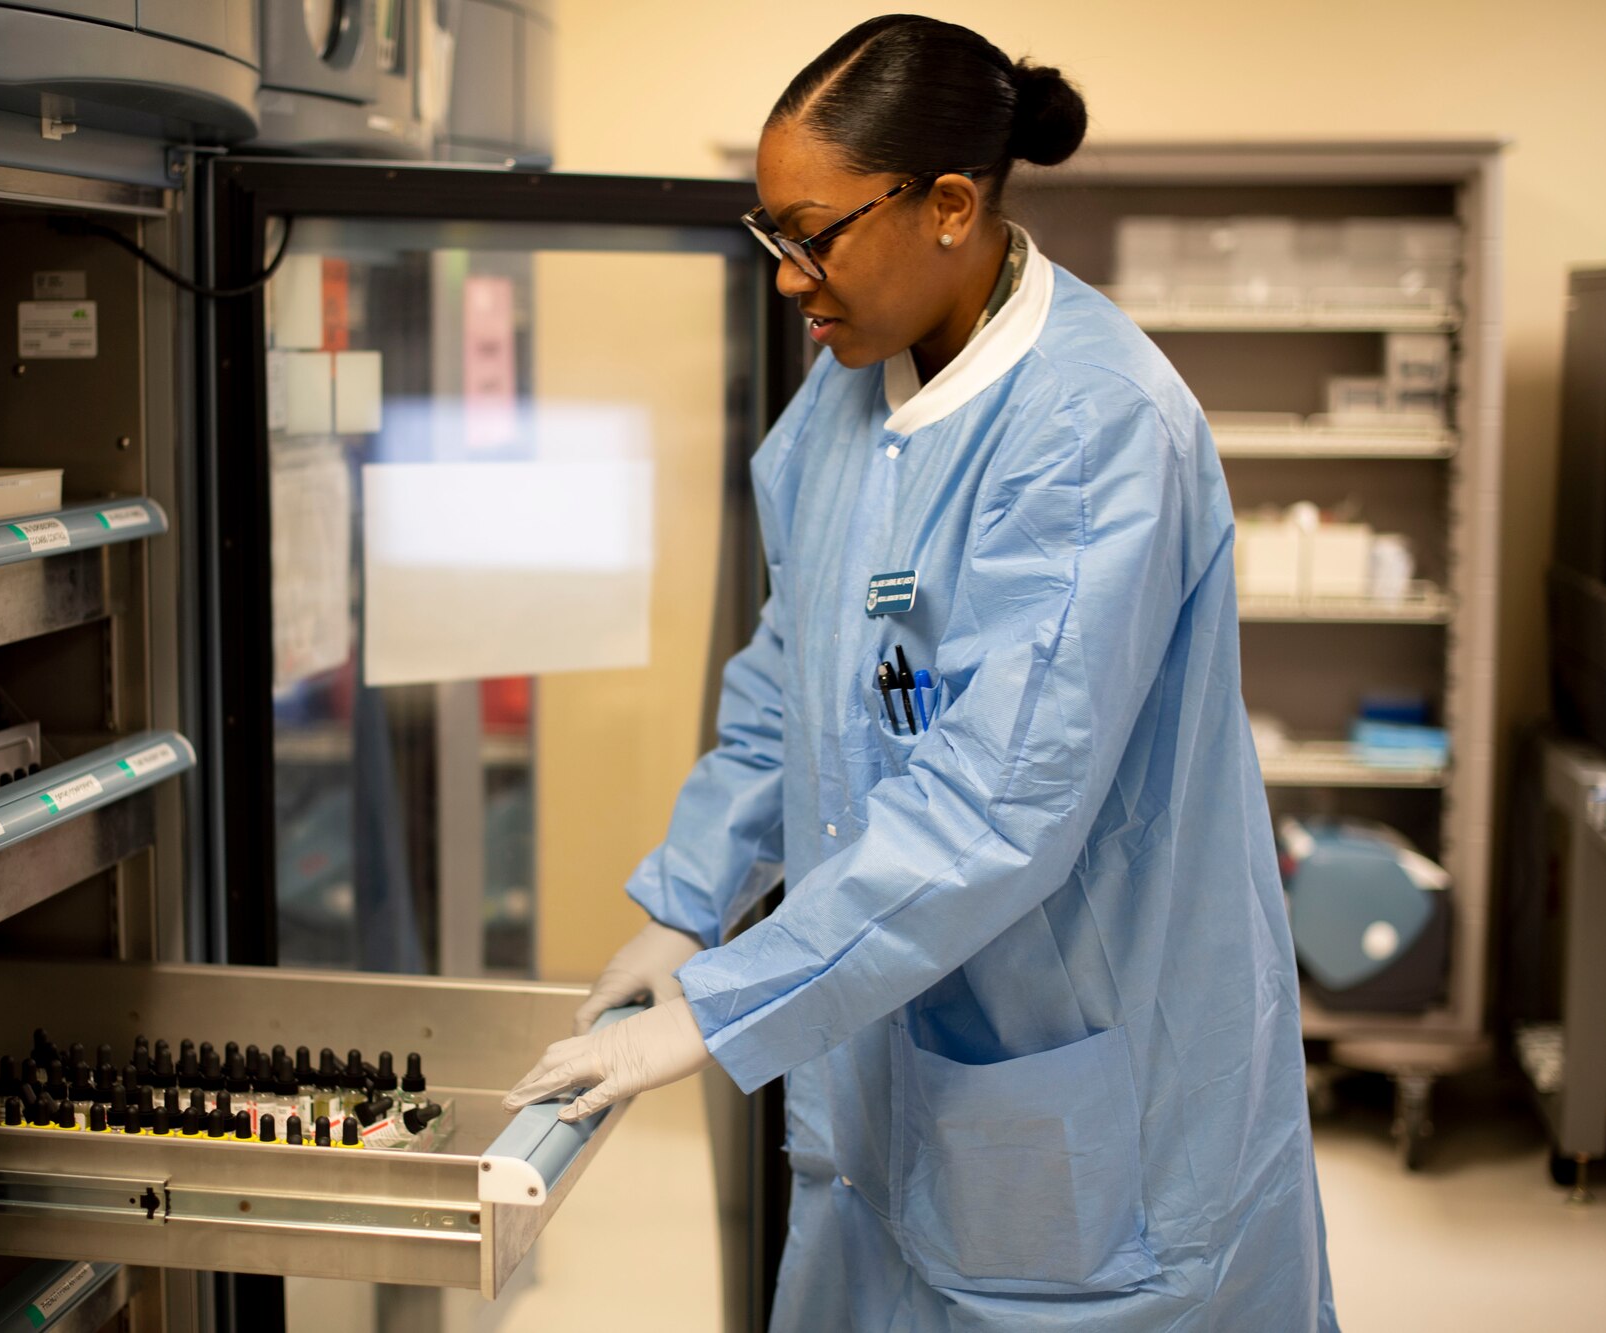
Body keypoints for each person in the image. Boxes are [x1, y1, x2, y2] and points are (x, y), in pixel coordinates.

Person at [504, 14, 1337, 1330]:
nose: (788, 276)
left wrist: (719, 1011)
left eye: (812, 232)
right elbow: (792, 678)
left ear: (949, 205)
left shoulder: (1092, 432)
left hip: (1083, 1103)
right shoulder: (841, 408)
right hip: (885, 1070)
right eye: (769, 234)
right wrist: (687, 900)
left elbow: (998, 809)